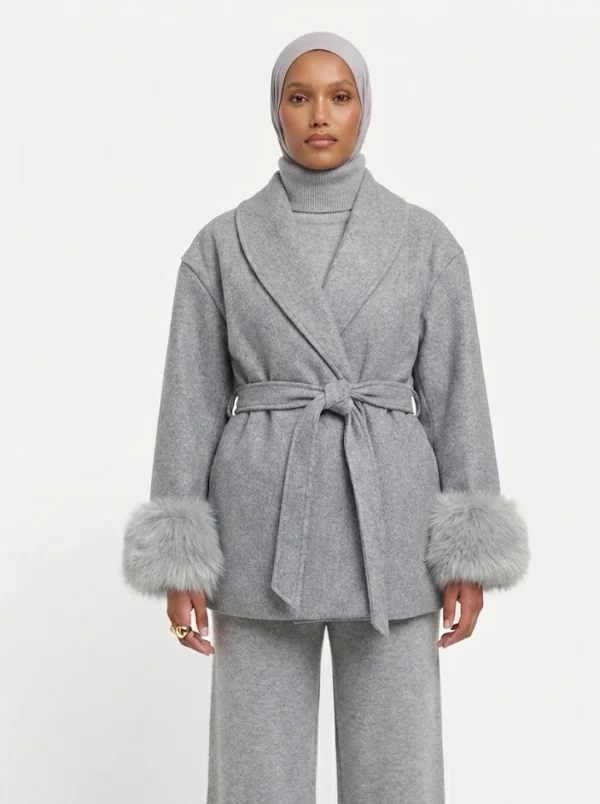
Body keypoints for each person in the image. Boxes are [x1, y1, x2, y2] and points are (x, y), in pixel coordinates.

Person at [121, 31, 530, 804]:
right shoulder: (221, 246)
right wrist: (180, 563)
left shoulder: (425, 242)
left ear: (364, 107)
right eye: (299, 96)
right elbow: (189, 403)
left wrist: (469, 555)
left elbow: (458, 397)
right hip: (260, 528)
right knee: (255, 775)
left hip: (391, 528)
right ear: (274, 110)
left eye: (339, 96)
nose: (319, 114)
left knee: (399, 774)